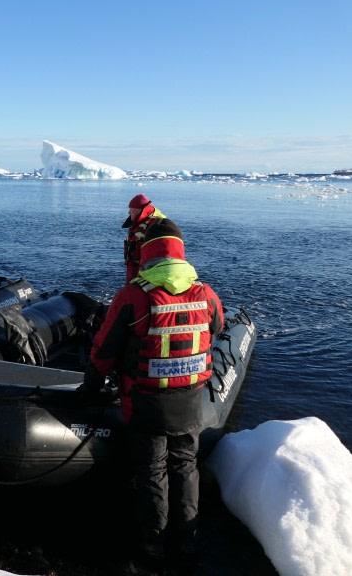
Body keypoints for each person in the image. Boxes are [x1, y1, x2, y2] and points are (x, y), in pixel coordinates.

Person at [78, 219, 224, 561]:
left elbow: (104, 349)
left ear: (147, 252)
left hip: (145, 404)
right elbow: (215, 328)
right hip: (190, 400)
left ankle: (152, 542)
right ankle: (187, 538)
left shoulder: (133, 295)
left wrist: (90, 387)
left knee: (152, 470)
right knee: (185, 465)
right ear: (180, 251)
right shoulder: (206, 293)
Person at [123, 193, 166, 283]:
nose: (129, 212)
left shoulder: (158, 225)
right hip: (134, 273)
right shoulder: (138, 224)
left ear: (139, 210)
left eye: (131, 209)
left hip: (147, 276)